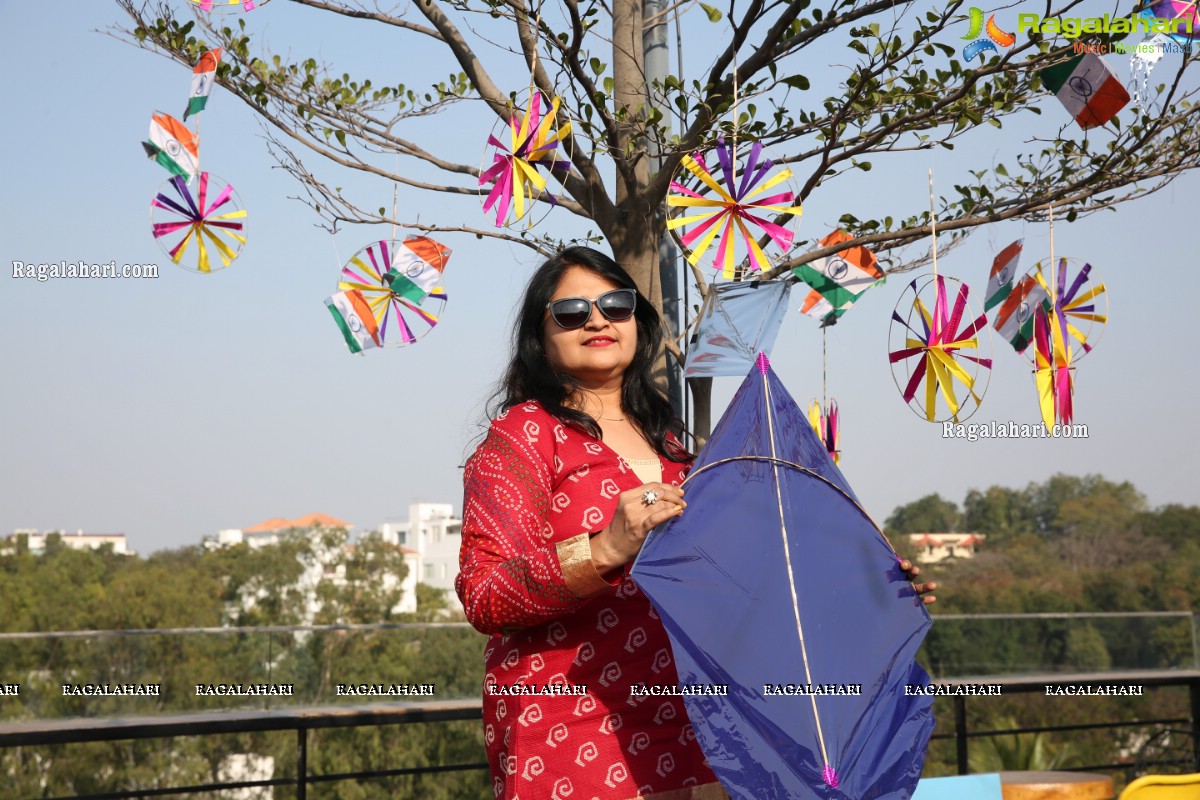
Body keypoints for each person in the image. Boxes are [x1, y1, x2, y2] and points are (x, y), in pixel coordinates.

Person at [457, 246, 935, 800]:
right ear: (540, 335)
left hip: (702, 727)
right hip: (574, 727)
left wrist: (864, 590)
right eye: (571, 311)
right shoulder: (521, 439)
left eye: (616, 305)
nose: (596, 319)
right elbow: (486, 595)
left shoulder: (675, 450)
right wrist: (605, 548)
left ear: (636, 321)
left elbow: (743, 585)